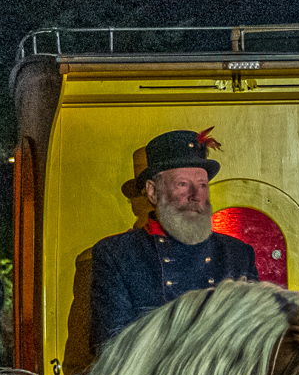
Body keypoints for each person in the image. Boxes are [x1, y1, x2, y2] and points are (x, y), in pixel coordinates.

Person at [88, 129, 257, 351]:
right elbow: (111, 350)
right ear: (152, 191)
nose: (196, 196)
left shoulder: (238, 254)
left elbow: (255, 343)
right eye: (183, 184)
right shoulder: (116, 255)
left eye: (202, 185)